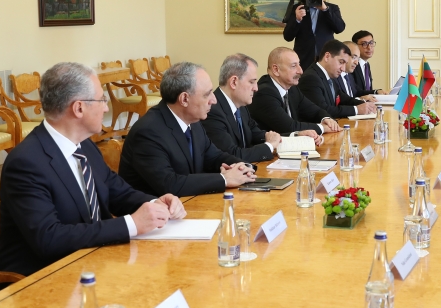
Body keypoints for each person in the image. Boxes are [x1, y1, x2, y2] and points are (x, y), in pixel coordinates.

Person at [0, 63, 184, 295]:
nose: (106, 108)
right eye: (102, 100)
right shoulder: (26, 163)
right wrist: (131, 224)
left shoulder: (85, 146)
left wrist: (156, 203)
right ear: (79, 108)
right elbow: (49, 238)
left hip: (88, 266)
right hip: (33, 285)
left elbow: (117, 191)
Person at [119, 61, 256, 197]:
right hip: (158, 208)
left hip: (189, 203)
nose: (214, 100)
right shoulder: (148, 132)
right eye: (207, 94)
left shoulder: (193, 121)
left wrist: (243, 167)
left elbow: (214, 156)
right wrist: (224, 179)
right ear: (184, 99)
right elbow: (170, 184)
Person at [203, 54, 281, 163]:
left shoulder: (240, 106)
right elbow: (232, 155)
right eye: (251, 82)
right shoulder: (212, 111)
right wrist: (270, 145)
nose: (256, 88)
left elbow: (256, 134)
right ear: (234, 82)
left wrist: (291, 137)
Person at [248, 47, 342, 138]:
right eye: (293, 66)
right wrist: (322, 128)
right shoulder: (264, 93)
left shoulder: (292, 89)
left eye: (299, 64)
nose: (300, 71)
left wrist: (326, 119)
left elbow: (315, 111)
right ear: (276, 70)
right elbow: (289, 127)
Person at [299, 40, 377, 119]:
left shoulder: (329, 75)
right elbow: (323, 110)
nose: (343, 69)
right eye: (341, 62)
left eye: (345, 63)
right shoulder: (311, 78)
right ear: (327, 57)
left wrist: (365, 104)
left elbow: (343, 98)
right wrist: (356, 110)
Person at [282, 0, 345, 66]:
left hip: (326, 59)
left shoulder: (332, 8)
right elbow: (288, 37)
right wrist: (297, 20)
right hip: (303, 60)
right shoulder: (297, 8)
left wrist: (325, 10)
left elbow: (340, 28)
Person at [351, 30, 382, 94]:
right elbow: (354, 91)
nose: (369, 47)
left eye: (371, 43)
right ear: (355, 46)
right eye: (364, 44)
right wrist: (375, 92)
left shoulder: (366, 65)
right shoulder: (352, 65)